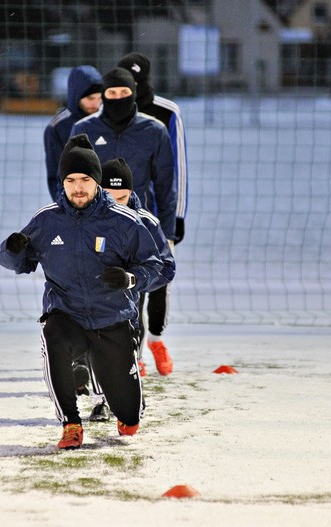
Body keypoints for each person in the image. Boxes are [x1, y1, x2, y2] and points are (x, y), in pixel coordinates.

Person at [0, 134, 166, 450]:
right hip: (67, 313)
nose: (77, 187)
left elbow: (155, 267)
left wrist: (129, 279)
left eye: (85, 179)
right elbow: (16, 263)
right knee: (53, 333)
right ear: (62, 183)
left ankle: (122, 399)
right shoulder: (47, 220)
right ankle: (71, 424)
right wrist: (12, 249)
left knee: (129, 420)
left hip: (111, 319)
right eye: (70, 179)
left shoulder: (124, 222)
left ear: (97, 182)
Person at [72, 65, 177, 376]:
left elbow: (165, 184)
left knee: (136, 290)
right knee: (91, 289)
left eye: (124, 93)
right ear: (104, 95)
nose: (117, 98)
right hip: (92, 224)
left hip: (136, 225)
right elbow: (69, 179)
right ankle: (86, 358)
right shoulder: (85, 129)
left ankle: (135, 356)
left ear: (134, 93)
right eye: (111, 93)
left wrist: (168, 231)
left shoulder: (153, 130)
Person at [85, 158, 177, 420]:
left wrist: (134, 279)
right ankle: (100, 399)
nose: (116, 204)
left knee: (128, 343)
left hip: (130, 299)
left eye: (122, 198)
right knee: (95, 343)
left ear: (133, 193)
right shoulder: (84, 219)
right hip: (94, 298)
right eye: (109, 197)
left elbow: (167, 268)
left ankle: (132, 393)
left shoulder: (147, 222)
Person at [117, 52, 189, 377]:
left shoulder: (166, 112)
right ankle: (135, 353)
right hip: (120, 215)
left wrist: (177, 218)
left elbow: (178, 168)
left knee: (159, 282)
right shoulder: (112, 114)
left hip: (158, 217)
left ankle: (157, 340)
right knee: (128, 285)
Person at [43, 65, 102, 202]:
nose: (96, 104)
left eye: (99, 98)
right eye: (90, 98)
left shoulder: (105, 120)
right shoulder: (57, 128)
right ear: (76, 94)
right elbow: (56, 176)